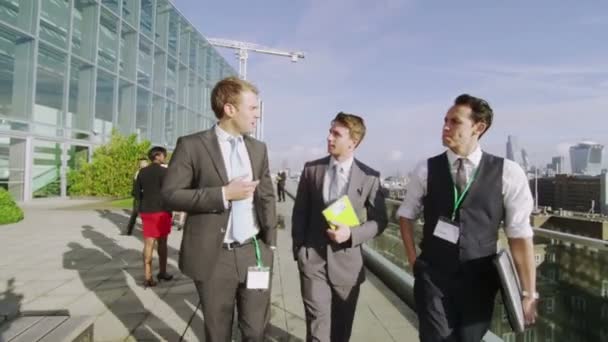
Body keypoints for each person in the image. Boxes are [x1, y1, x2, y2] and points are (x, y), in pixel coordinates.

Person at [397, 94, 538, 342]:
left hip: (480, 280)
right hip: (433, 275)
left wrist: (528, 294)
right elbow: (406, 215)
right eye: (445, 120)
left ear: (478, 127)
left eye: (455, 121)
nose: (445, 127)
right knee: (435, 337)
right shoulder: (425, 169)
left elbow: (519, 235)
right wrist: (413, 260)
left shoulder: (508, 173)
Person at [161, 76, 276, 342]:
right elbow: (170, 195)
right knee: (217, 332)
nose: (257, 114)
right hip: (214, 258)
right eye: (253, 108)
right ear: (230, 109)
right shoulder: (191, 145)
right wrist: (223, 194)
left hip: (254, 252)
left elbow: (267, 195)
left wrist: (270, 244)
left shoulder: (258, 149)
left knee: (256, 331)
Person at [292, 112, 388, 342]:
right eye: (330, 131)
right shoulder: (311, 170)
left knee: (341, 331)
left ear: (353, 142)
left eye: (336, 133)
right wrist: (300, 251)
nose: (329, 137)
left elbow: (380, 221)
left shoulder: (369, 177)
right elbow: (300, 213)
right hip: (313, 261)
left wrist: (352, 234)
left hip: (348, 265)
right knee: (317, 326)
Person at [134, 146, 173, 287]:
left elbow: (136, 193)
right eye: (163, 155)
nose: (165, 157)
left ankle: (148, 276)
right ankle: (162, 272)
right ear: (158, 156)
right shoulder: (165, 172)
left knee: (148, 243)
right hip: (162, 210)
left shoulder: (141, 172)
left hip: (147, 210)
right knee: (162, 243)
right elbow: (170, 191)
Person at [124, 159, 149, 236]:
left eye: (145, 163)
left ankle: (146, 229)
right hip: (138, 196)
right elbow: (136, 186)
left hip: (146, 196)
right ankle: (129, 229)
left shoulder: (148, 173)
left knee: (145, 214)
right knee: (135, 212)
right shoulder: (138, 173)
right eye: (142, 163)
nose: (143, 164)